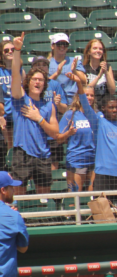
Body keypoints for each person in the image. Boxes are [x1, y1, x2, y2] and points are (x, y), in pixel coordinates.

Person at [66, 69, 117, 207]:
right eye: (111, 108)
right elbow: (86, 106)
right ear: (103, 109)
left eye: (116, 107)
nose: (114, 110)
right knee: (104, 214)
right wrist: (79, 84)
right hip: (103, 177)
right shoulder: (98, 123)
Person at [10, 33, 60, 196]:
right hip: (22, 154)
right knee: (19, 198)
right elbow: (16, 75)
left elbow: (55, 132)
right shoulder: (20, 98)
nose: (38, 82)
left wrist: (38, 118)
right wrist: (17, 50)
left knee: (43, 199)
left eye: (41, 80)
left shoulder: (48, 105)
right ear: (29, 82)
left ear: (45, 84)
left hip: (43, 155)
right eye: (34, 79)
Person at [56, 79, 97, 192]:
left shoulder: (97, 115)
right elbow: (58, 139)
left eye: (92, 95)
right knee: (75, 196)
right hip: (76, 160)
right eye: (86, 95)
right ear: (79, 96)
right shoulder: (71, 114)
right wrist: (68, 133)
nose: (89, 97)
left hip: (94, 159)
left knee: (94, 196)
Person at [47, 33, 86, 105]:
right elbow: (45, 84)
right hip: (54, 99)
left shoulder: (74, 61)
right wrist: (57, 74)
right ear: (53, 46)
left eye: (65, 44)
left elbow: (84, 81)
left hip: (72, 100)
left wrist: (75, 71)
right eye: (59, 44)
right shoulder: (46, 63)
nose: (62, 46)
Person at [82, 39, 115, 108]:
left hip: (104, 105)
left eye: (100, 49)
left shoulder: (107, 67)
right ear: (89, 52)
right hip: (90, 104)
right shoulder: (84, 69)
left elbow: (112, 91)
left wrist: (106, 72)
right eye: (95, 48)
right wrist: (99, 76)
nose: (98, 51)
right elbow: (87, 90)